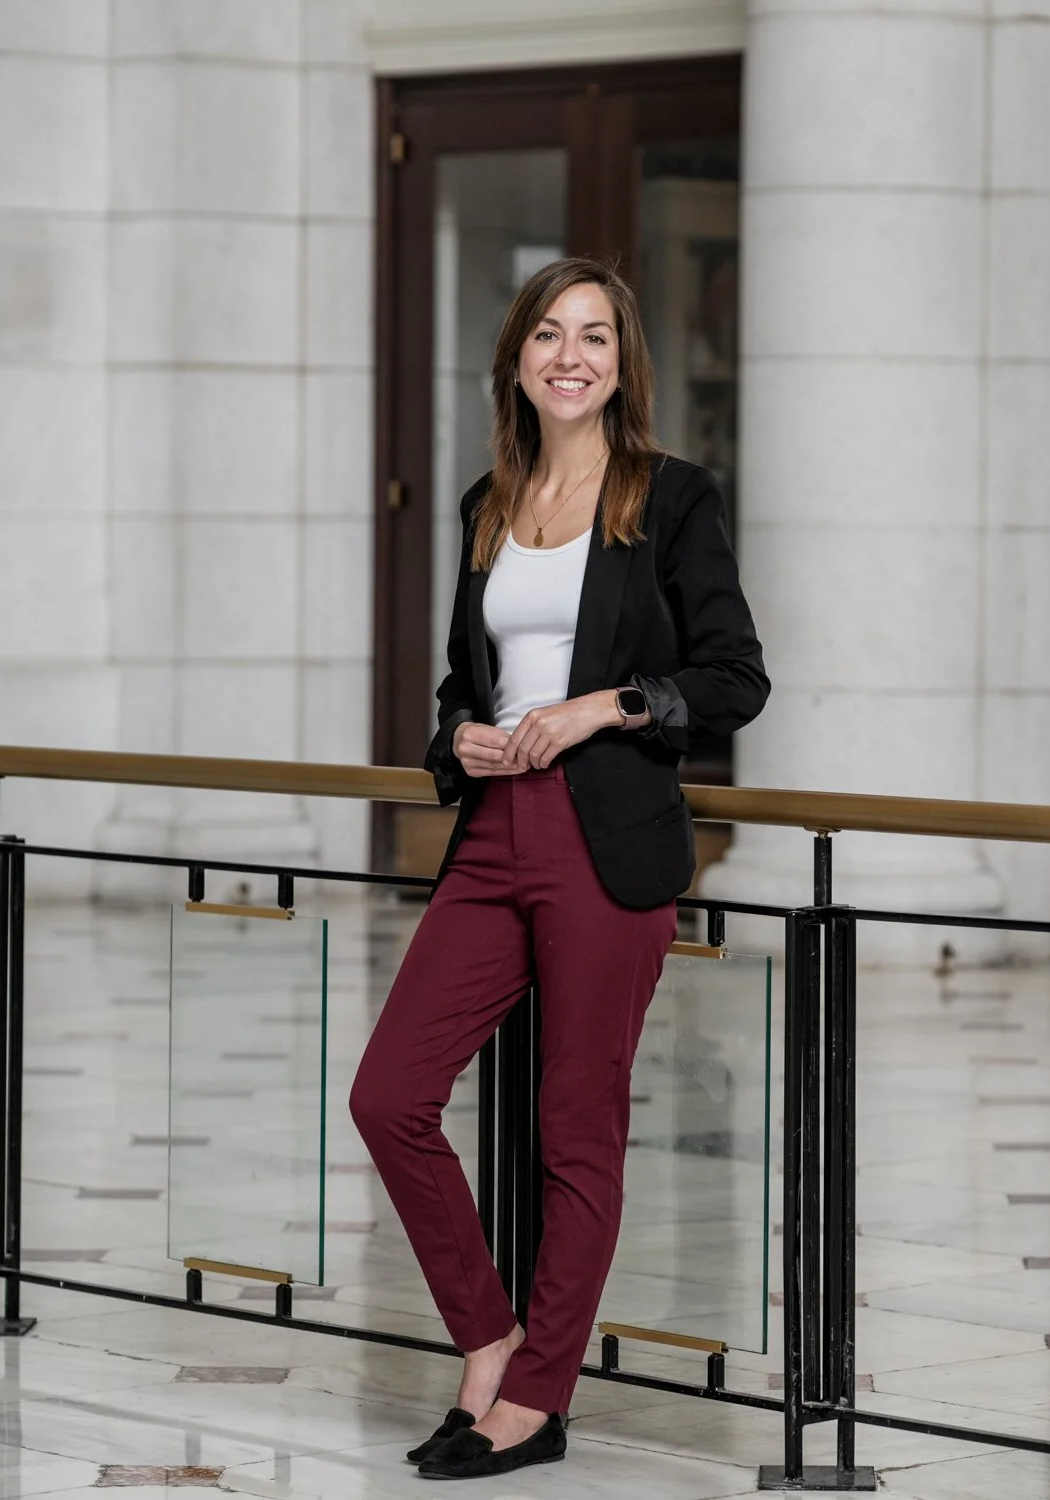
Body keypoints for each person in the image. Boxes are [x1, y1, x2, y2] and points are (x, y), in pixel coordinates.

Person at [348, 256, 769, 1481]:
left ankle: (535, 1401)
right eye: (547, 334)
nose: (569, 355)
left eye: (593, 336)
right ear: (518, 360)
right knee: (389, 1095)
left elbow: (736, 679)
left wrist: (607, 709)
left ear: (621, 361)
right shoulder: (490, 498)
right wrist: (459, 739)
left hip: (608, 841)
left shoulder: (672, 499)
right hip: (493, 837)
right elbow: (457, 687)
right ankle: (487, 1341)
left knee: (577, 1126)